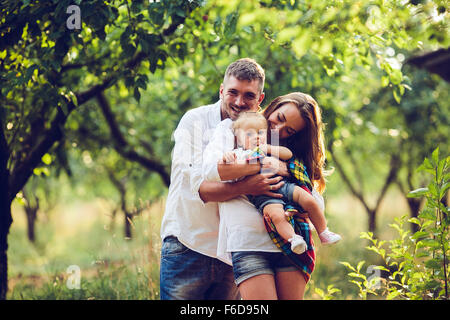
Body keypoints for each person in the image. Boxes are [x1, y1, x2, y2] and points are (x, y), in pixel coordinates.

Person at [159, 58, 286, 300]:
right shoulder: (194, 122)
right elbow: (203, 191)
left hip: (233, 249)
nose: (239, 102)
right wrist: (250, 182)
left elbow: (281, 169)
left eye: (248, 95)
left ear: (260, 99)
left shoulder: (261, 130)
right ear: (221, 91)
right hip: (188, 244)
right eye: (233, 92)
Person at [202, 92, 330, 299]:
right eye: (279, 118)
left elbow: (315, 202)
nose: (278, 129)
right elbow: (210, 173)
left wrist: (288, 169)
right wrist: (259, 168)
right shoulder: (240, 127)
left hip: (291, 246)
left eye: (289, 130)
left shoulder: (288, 152)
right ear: (274, 105)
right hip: (248, 244)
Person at [220, 112, 341, 255]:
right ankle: (293, 239)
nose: (256, 137)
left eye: (260, 133)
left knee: (308, 199)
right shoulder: (240, 153)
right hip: (265, 197)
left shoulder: (270, 148)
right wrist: (227, 157)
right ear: (239, 139)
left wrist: (269, 149)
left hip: (285, 185)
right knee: (277, 217)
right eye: (249, 135)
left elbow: (288, 154)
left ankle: (323, 232)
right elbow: (226, 166)